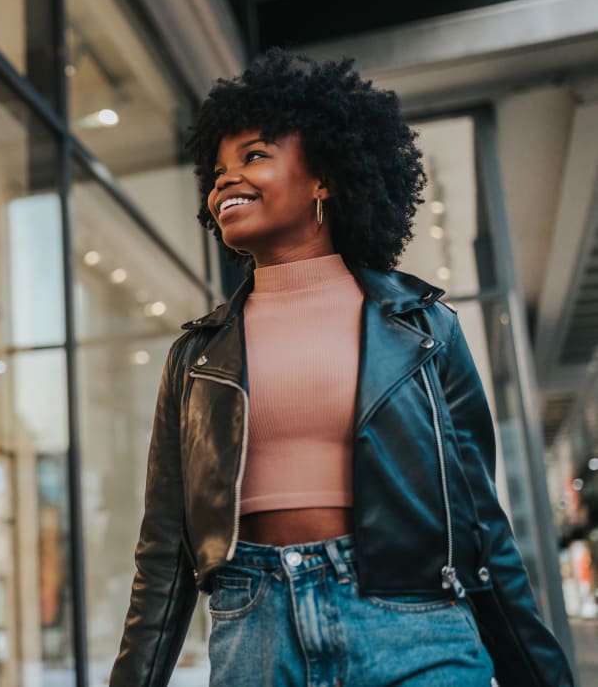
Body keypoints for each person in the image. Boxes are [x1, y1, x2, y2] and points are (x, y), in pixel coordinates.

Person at [110, 49, 574, 687]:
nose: (224, 181)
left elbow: (479, 522)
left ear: (323, 176)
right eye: (217, 170)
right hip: (254, 627)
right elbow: (165, 549)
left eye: (253, 156)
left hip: (412, 623)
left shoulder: (424, 329)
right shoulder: (195, 357)